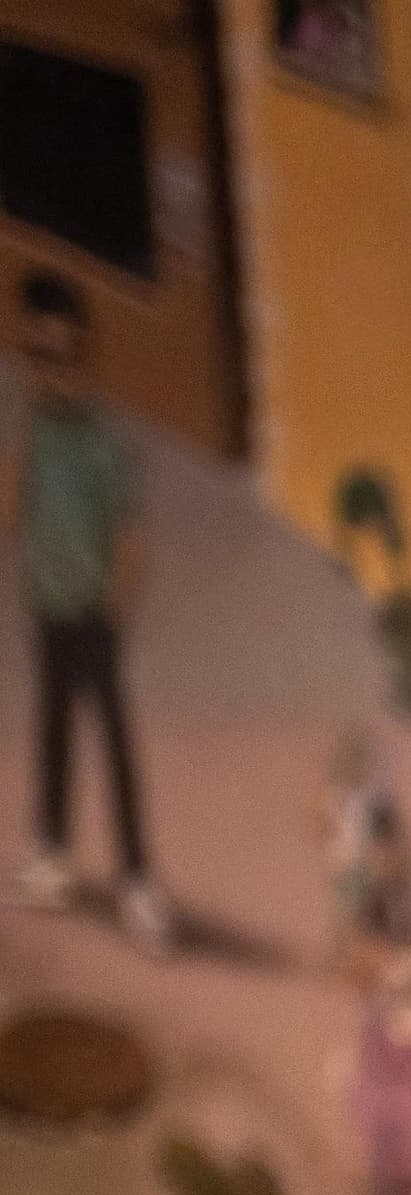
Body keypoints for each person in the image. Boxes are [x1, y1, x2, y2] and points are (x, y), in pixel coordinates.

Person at [9, 267, 160, 948]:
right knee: (53, 731)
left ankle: (137, 879)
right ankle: (55, 854)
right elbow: (12, 512)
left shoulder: (100, 441)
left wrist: (116, 610)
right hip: (48, 603)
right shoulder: (32, 432)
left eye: (59, 353)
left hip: (93, 614)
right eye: (35, 353)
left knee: (114, 741)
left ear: (80, 350)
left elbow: (128, 535)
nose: (49, 367)